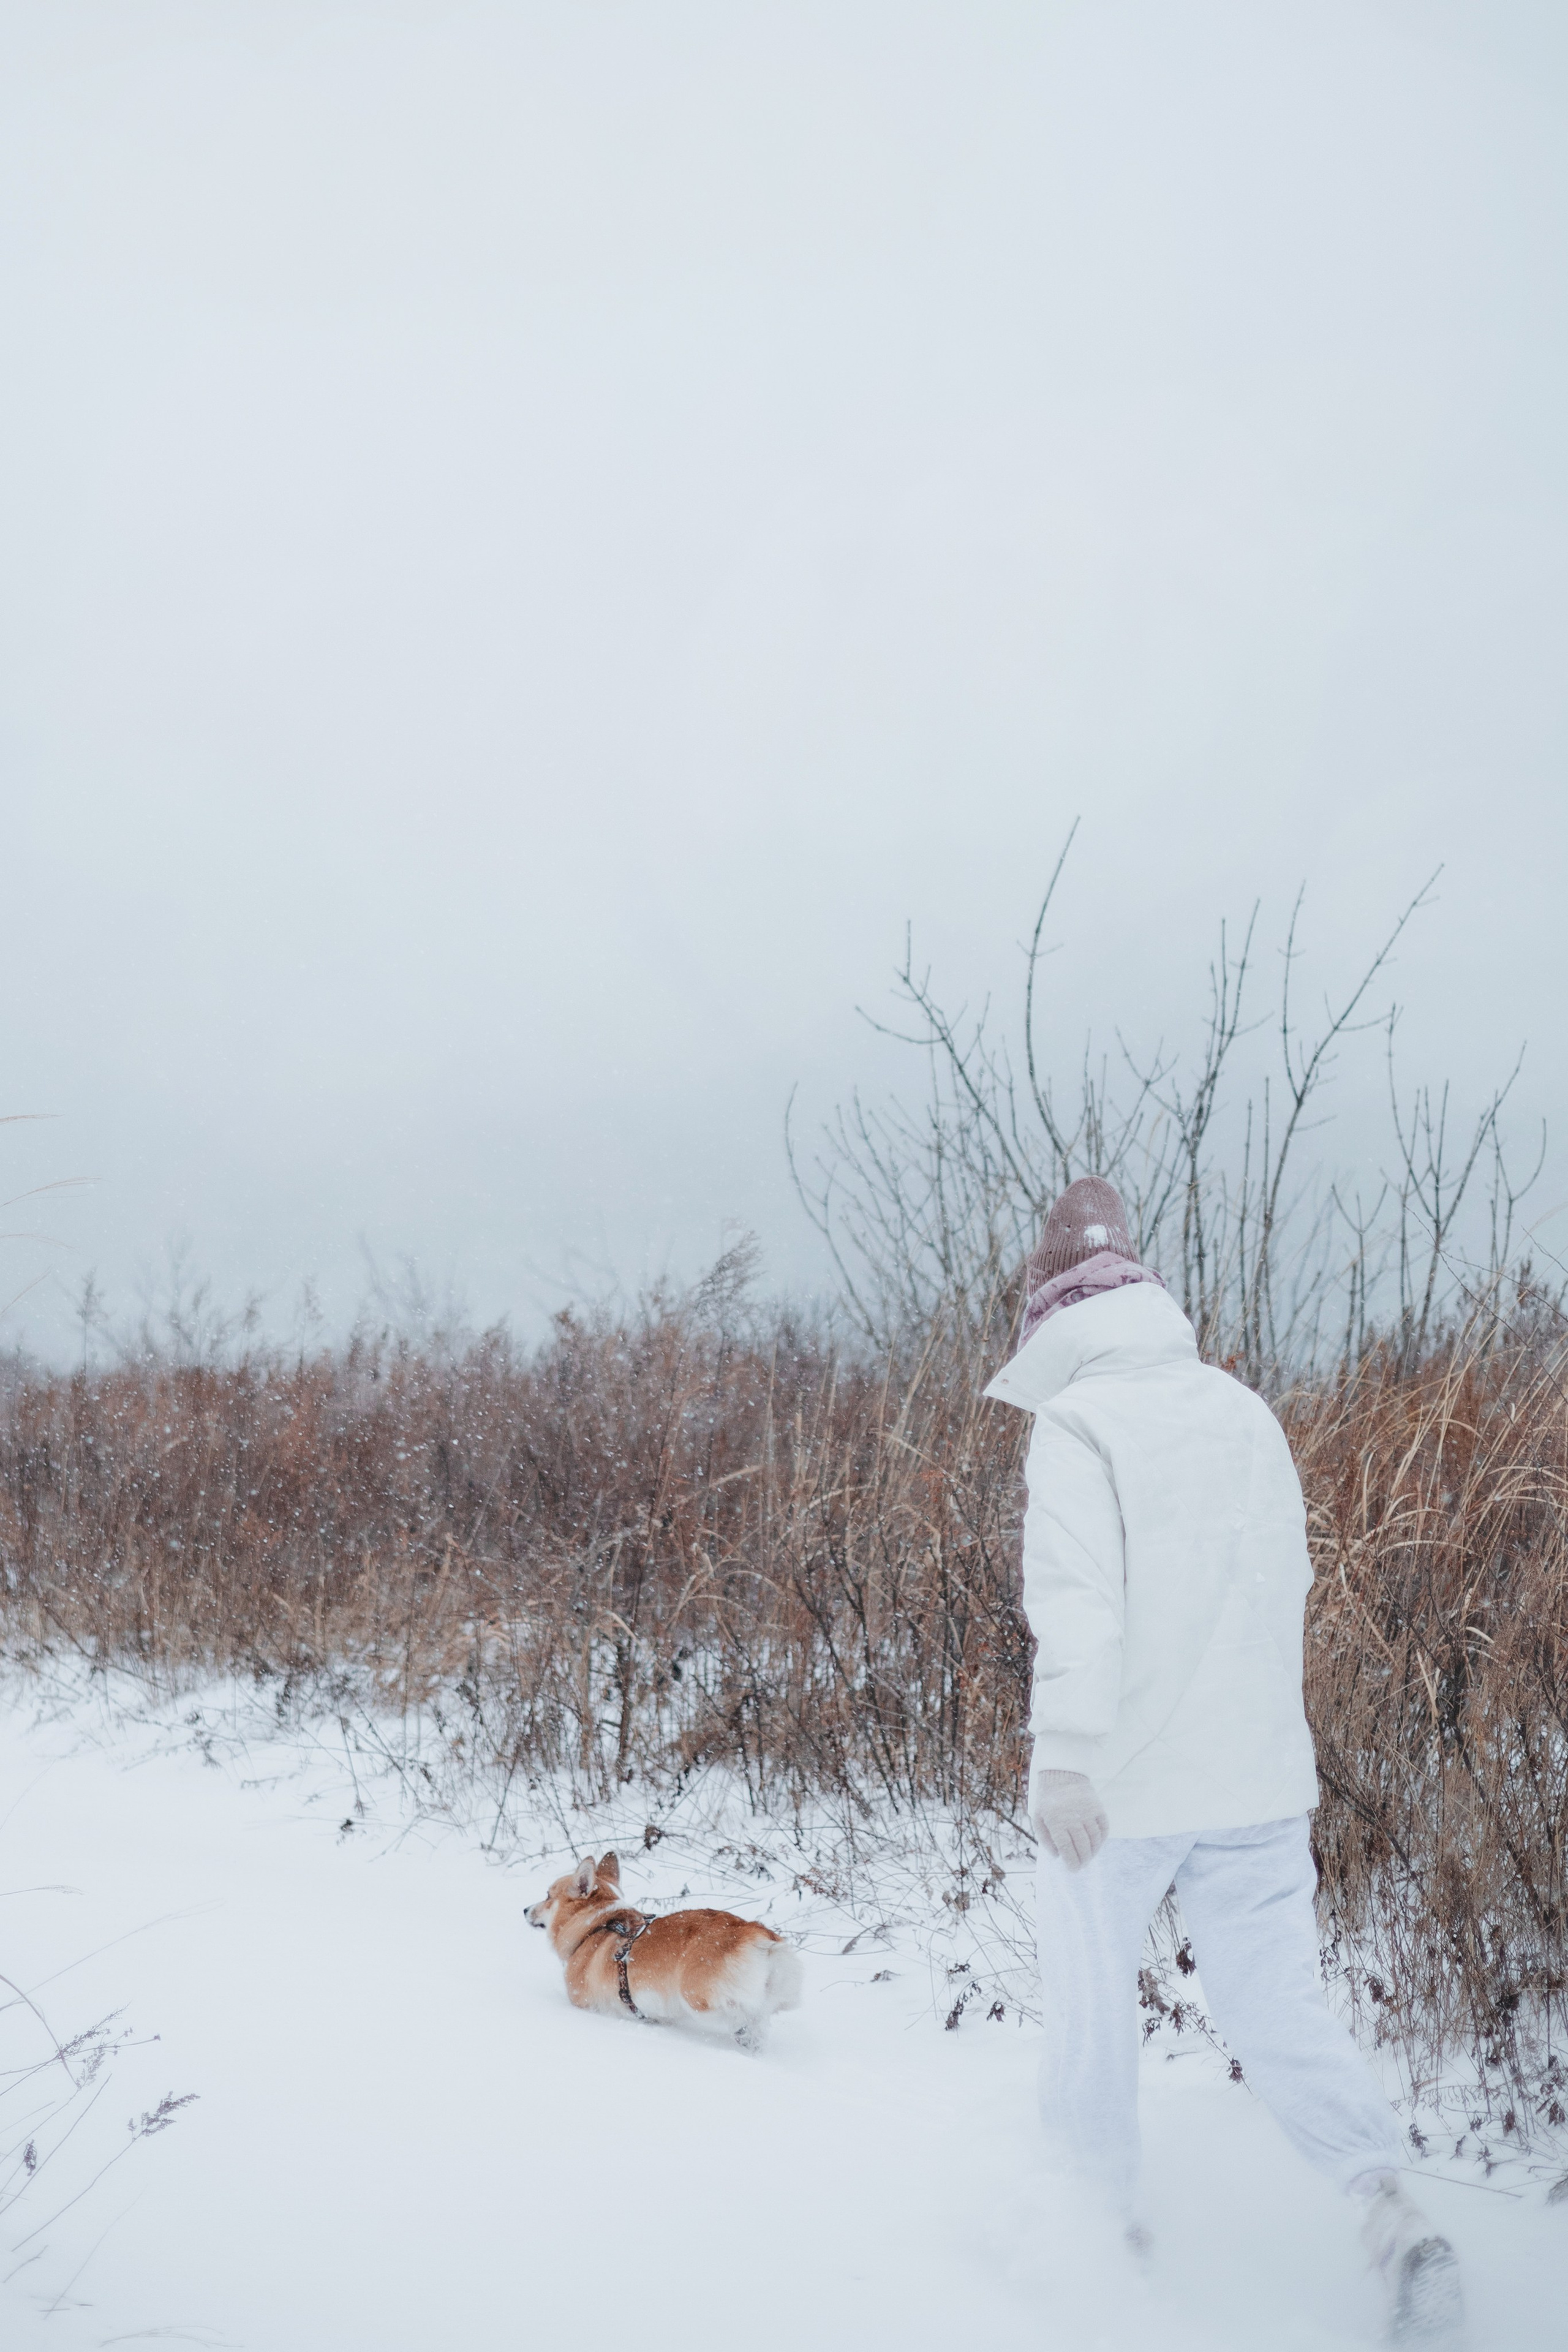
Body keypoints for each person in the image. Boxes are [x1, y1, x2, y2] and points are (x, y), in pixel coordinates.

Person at [984, 1177, 1464, 2348]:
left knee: (1095, 2010)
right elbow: (1278, 1591)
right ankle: (1391, 2215)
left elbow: (1083, 1609)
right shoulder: (1242, 1409)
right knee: (1278, 2010)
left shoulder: (1079, 1424)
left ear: (1049, 1310)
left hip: (1125, 1790)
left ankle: (1096, 2244)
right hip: (1255, 1780)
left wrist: (1066, 1759)